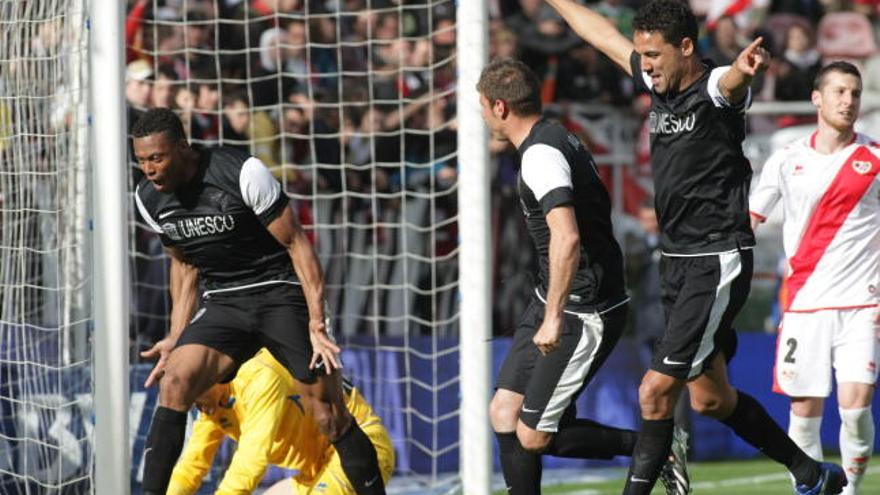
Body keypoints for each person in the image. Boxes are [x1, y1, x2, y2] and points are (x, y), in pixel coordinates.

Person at [545, 1, 847, 493]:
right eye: (641, 54)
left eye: (654, 55)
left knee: (654, 392)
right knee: (711, 400)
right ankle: (812, 474)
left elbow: (729, 83)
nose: (645, 64)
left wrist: (743, 74)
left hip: (716, 260)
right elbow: (600, 34)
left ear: (686, 48)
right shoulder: (654, 81)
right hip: (678, 263)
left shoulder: (712, 88)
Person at [131, 108, 385, 495]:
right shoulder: (148, 198)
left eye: (157, 157)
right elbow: (183, 267)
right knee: (175, 381)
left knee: (329, 417)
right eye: (142, 160)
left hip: (279, 294)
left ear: (182, 148)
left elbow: (298, 245)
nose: (149, 169)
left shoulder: (241, 171)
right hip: (223, 303)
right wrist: (175, 336)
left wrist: (317, 323)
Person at [478, 58, 687, 495]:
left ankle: (656, 445)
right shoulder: (554, 136)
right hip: (553, 296)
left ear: (499, 107)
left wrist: (553, 316)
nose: (481, 118)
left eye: (481, 107)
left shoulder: (540, 156)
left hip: (582, 309)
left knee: (533, 435)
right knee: (503, 412)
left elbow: (567, 238)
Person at [750, 61, 879, 495]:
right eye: (840, 91)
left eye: (855, 93)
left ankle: (851, 490)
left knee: (856, 407)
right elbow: (751, 217)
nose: (848, 101)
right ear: (817, 99)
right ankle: (807, 489)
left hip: (862, 304)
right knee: (805, 411)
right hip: (804, 304)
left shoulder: (875, 159)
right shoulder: (787, 159)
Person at [167, 348, 395, 495]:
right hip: (316, 468)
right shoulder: (210, 406)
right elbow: (192, 466)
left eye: (191, 394)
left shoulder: (259, 378)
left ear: (209, 376)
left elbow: (252, 461)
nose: (188, 403)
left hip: (362, 447)